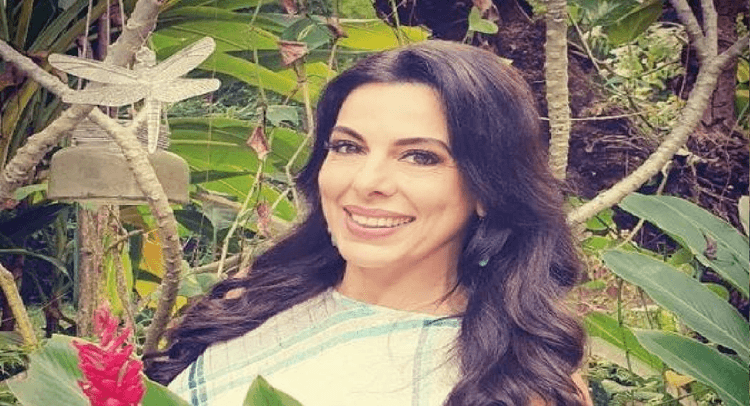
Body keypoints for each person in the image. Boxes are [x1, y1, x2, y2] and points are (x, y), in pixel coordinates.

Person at [144, 40, 591, 406]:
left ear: (488, 190)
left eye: (420, 157)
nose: (367, 182)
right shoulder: (249, 303)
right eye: (348, 147)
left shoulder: (519, 383)